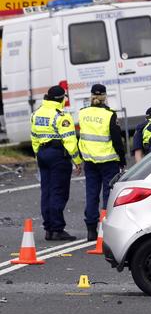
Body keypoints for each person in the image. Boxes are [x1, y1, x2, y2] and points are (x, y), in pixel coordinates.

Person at [30, 85, 82, 241]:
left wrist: (37, 154)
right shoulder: (61, 116)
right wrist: (77, 161)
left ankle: (49, 229)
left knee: (46, 191)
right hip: (58, 155)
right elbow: (70, 140)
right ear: (61, 99)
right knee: (58, 192)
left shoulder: (36, 113)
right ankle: (57, 229)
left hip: (42, 154)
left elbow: (34, 136)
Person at [78, 84, 126, 241]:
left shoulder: (83, 113)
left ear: (91, 96)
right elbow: (117, 140)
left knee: (91, 194)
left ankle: (91, 230)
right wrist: (122, 159)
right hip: (108, 161)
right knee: (108, 194)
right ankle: (105, 229)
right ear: (105, 97)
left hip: (90, 161)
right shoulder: (109, 115)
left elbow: (82, 136)